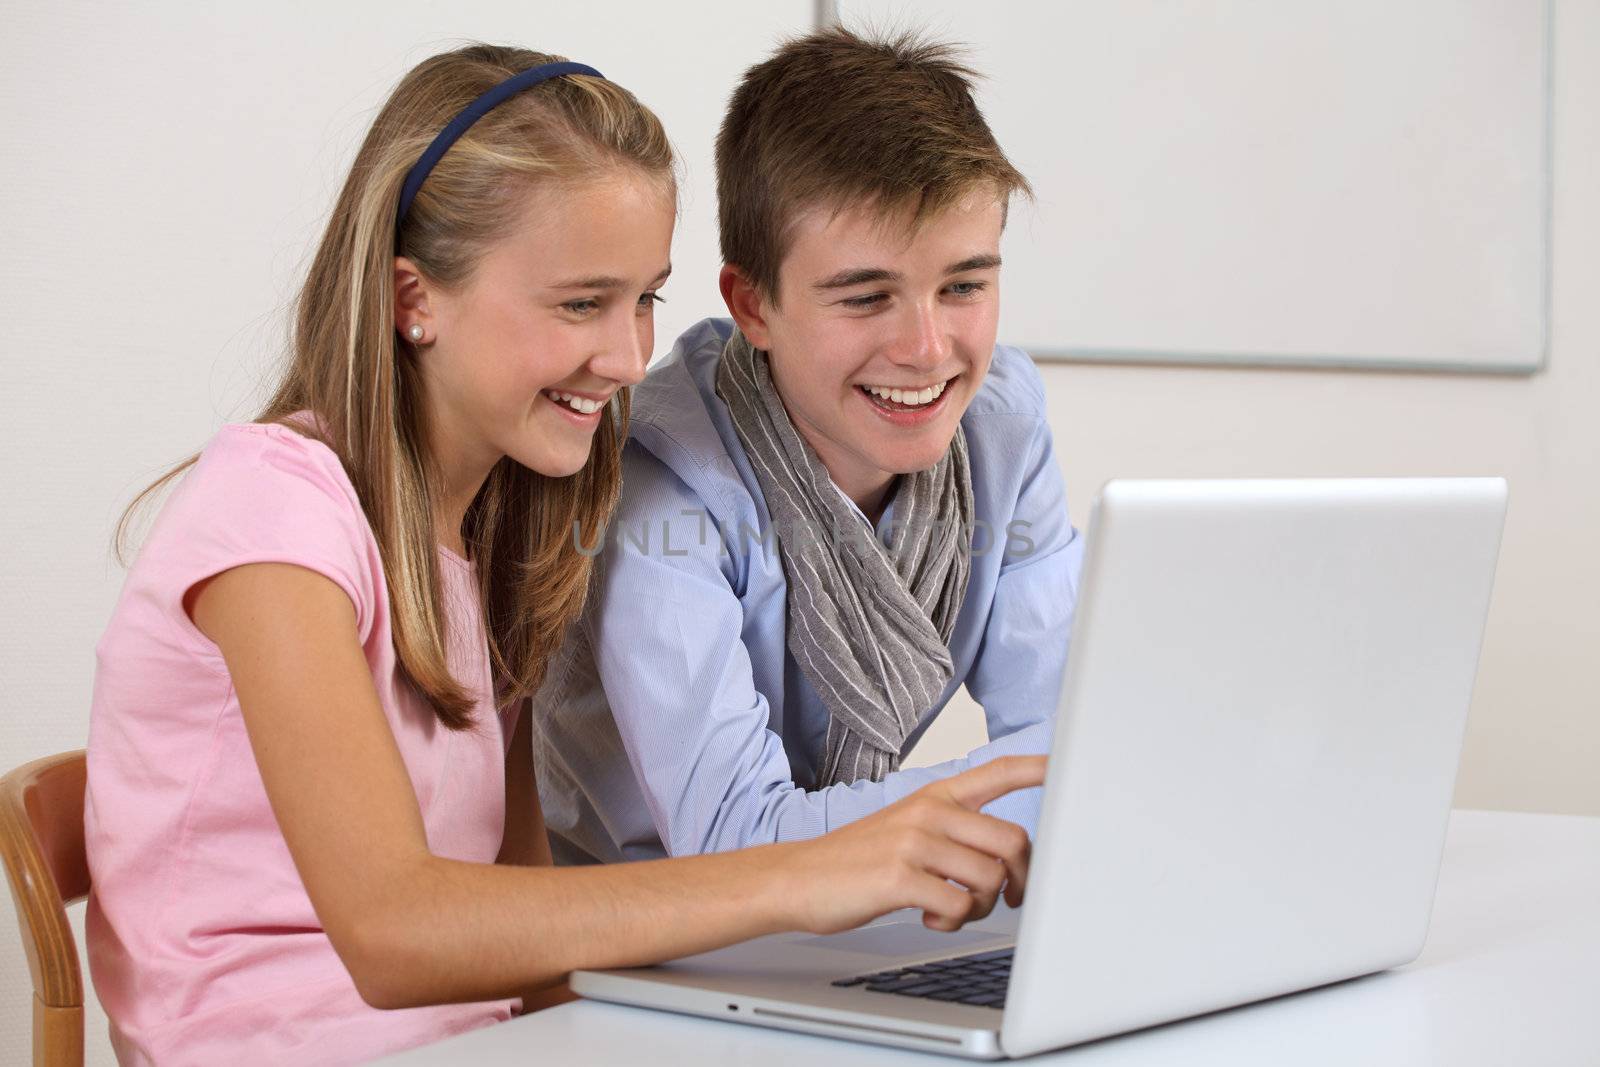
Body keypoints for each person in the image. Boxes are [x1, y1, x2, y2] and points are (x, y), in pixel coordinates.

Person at [83, 43, 1043, 1067]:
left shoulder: (501, 534)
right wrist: (804, 871)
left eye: (644, 301)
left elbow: (522, 915)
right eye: (581, 304)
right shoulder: (275, 512)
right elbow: (394, 930)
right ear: (415, 298)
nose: (629, 358)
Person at [533, 27, 1083, 865]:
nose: (929, 349)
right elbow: (733, 842)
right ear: (752, 306)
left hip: (862, 901)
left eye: (964, 285)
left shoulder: (1001, 428)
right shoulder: (655, 481)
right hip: (641, 933)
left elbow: (1076, 734)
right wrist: (1048, 788)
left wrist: (1074, 781)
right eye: (866, 298)